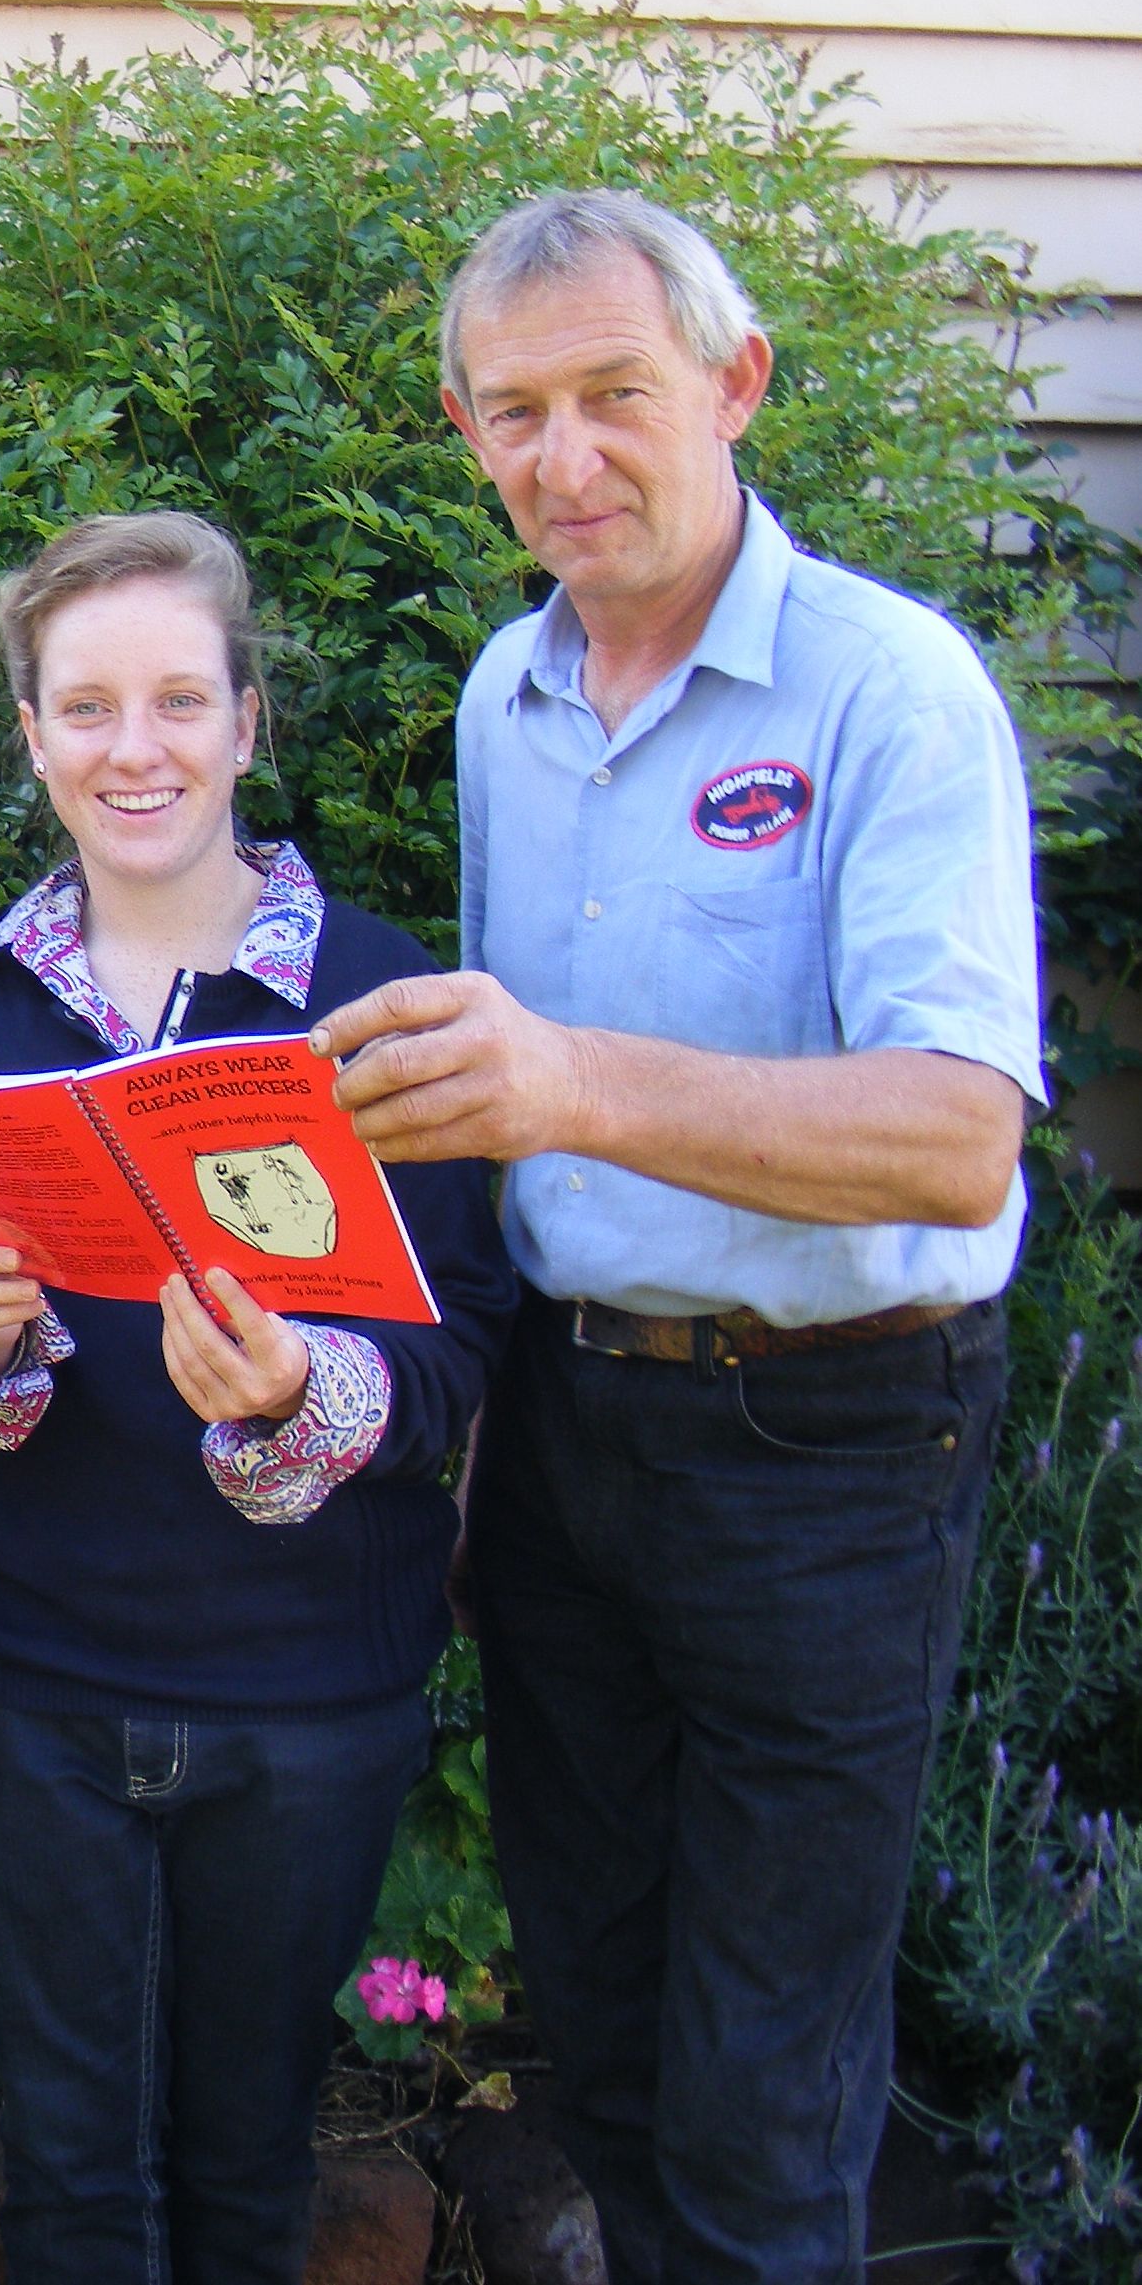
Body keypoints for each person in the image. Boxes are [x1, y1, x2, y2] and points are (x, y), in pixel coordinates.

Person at [313, 190, 1040, 2285]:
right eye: (512, 412)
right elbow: (499, 1131)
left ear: (731, 386)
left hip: (828, 1443)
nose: (563, 459)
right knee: (604, 2054)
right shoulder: (498, 693)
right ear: (462, 430)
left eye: (612, 396)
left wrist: (569, 1087)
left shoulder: (886, 692)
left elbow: (950, 1140)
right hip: (563, 1429)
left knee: (759, 2087)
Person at [0, 512, 519, 2284]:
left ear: (248, 720)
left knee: (247, 2178)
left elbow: (468, 1355)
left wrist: (308, 1382)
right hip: (34, 1683)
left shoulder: (380, 998)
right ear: (32, 735)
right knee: (71, 2186)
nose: (130, 748)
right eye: (84, 706)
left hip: (305, 1686)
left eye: (175, 699)